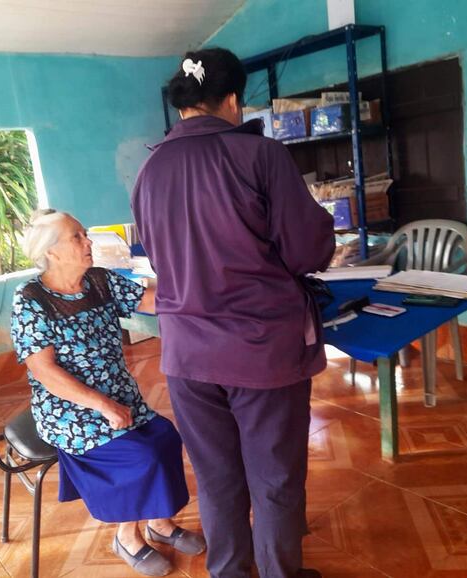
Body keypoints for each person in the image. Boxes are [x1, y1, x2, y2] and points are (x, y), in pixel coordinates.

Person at [132, 48, 336, 578]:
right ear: (232, 100)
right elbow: (307, 251)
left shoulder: (150, 169)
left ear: (182, 107)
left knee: (217, 477)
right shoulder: (259, 156)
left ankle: (229, 573)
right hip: (261, 352)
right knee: (275, 479)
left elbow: (158, 257)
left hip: (186, 355)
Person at [10, 209, 205, 577]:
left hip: (118, 394)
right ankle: (126, 537)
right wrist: (102, 404)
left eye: (85, 235)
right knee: (139, 455)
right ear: (51, 251)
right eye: (78, 237)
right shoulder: (31, 299)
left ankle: (159, 524)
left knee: (164, 437)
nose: (88, 243)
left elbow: (151, 299)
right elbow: (43, 370)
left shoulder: (99, 280)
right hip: (69, 409)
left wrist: (194, 281)